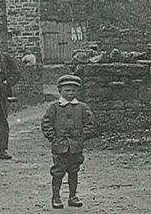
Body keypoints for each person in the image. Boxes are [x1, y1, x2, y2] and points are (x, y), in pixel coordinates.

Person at [41, 75, 96, 209]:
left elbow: (91, 123)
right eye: (67, 90)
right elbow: (46, 123)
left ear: (77, 91)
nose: (70, 93)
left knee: (74, 170)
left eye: (73, 90)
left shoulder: (82, 107)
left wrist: (82, 137)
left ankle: (72, 196)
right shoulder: (54, 107)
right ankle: (56, 197)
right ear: (60, 91)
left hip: (75, 147)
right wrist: (53, 138)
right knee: (58, 171)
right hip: (60, 146)